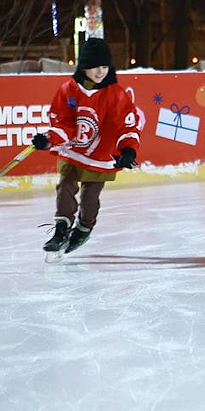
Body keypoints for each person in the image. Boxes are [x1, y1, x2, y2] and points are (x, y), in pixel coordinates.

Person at [32, 38, 140, 260]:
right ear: (83, 66)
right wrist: (48, 139)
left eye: (104, 66)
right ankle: (62, 228)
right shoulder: (68, 90)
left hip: (101, 155)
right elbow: (62, 122)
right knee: (65, 187)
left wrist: (128, 150)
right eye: (95, 66)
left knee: (90, 198)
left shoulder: (116, 94)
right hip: (72, 151)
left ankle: (83, 228)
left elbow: (126, 125)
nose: (100, 71)